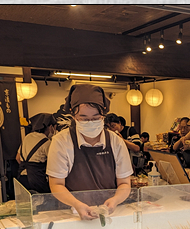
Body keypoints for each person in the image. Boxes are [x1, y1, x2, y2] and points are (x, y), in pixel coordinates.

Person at [46, 84, 133, 220]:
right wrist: (77, 204)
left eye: (96, 118)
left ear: (103, 115)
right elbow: (56, 184)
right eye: (84, 118)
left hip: (109, 213)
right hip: (73, 214)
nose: (90, 122)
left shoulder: (116, 141)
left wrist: (115, 200)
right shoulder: (61, 142)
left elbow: (125, 183)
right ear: (74, 116)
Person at [16, 112, 56, 193]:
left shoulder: (27, 137)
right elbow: (54, 163)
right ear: (50, 127)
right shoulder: (47, 142)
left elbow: (18, 158)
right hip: (37, 179)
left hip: (22, 178)